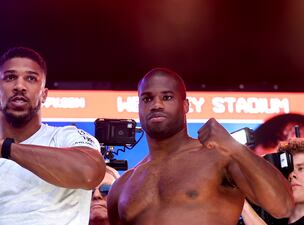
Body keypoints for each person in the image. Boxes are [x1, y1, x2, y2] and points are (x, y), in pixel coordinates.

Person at [0, 47, 106, 225]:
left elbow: (90, 174)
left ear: (44, 94)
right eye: (10, 77)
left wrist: (3, 149)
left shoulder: (67, 138)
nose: (20, 86)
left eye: (31, 78)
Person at [106, 68, 294, 225]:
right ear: (138, 106)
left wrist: (235, 147)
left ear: (186, 105)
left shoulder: (218, 157)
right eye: (147, 98)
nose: (156, 104)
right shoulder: (122, 186)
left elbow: (283, 207)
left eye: (167, 97)